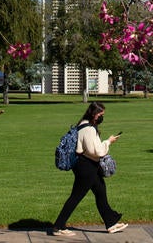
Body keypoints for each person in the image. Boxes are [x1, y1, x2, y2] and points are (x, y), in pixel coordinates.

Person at [52, 101, 128, 237]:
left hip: (87, 165)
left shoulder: (83, 125)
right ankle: (58, 226)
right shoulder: (89, 129)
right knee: (76, 197)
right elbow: (96, 151)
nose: (102, 117)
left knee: (100, 191)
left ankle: (111, 222)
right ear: (94, 114)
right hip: (86, 167)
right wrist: (108, 141)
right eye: (101, 114)